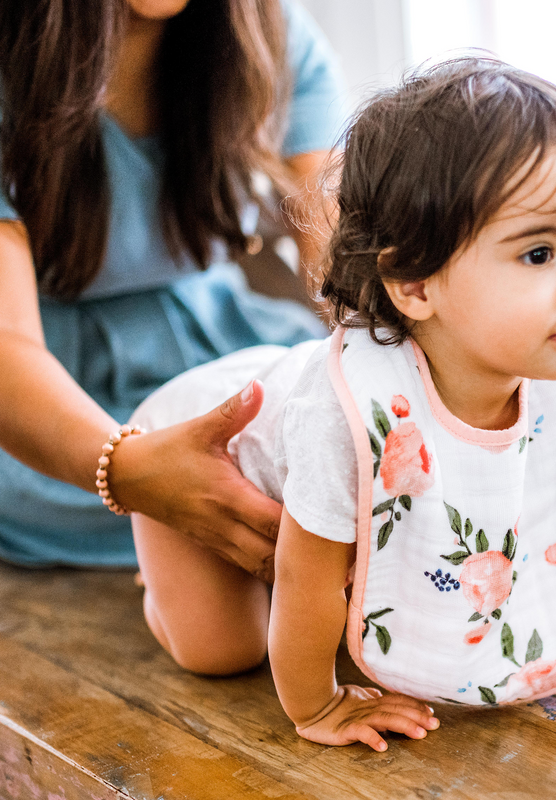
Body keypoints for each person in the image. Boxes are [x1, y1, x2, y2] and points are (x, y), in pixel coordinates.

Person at [129, 58, 556, 752]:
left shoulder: (555, 370)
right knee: (221, 650)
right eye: (540, 253)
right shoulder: (347, 414)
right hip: (194, 442)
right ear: (414, 285)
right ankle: (158, 579)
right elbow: (306, 579)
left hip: (284, 456)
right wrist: (317, 706)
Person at [0, 0, 346, 573]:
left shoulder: (267, 28)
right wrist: (127, 469)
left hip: (217, 341)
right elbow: (10, 348)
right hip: (45, 411)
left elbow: (342, 260)